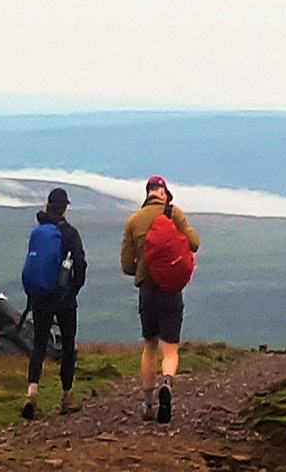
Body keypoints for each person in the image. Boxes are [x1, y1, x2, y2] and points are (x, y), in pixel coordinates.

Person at [120, 175, 200, 424]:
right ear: (164, 193)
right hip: (171, 290)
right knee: (170, 348)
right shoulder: (173, 213)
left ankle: (147, 404)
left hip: (147, 289)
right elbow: (195, 243)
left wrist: (144, 270)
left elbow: (126, 266)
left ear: (147, 194)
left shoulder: (133, 221)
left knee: (149, 345)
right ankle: (167, 382)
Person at [21, 188, 87, 419]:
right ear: (65, 207)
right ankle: (67, 397)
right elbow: (80, 265)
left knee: (39, 343)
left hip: (39, 296)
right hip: (64, 299)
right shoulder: (69, 233)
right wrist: (73, 290)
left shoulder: (39, 232)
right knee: (68, 346)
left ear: (48, 205)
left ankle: (32, 394)